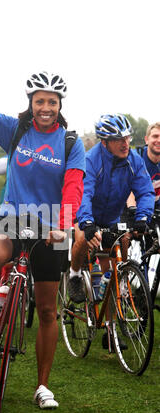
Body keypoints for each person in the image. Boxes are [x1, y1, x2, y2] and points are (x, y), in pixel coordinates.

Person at [0, 30, 86, 409]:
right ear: (30, 103)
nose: (45, 107)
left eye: (51, 101)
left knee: (48, 309)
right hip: (11, 216)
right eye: (39, 101)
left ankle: (42, 386)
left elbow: (73, 187)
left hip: (52, 224)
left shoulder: (70, 142)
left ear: (59, 104)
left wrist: (64, 224)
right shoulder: (16, 130)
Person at [68, 114, 155, 346]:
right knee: (80, 240)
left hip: (113, 217)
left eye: (127, 137)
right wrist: (86, 223)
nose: (125, 143)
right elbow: (84, 193)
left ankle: (110, 330)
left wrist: (142, 216)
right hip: (87, 215)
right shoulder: (91, 159)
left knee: (115, 269)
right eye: (118, 139)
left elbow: (145, 191)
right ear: (104, 142)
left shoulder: (133, 159)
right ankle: (75, 275)